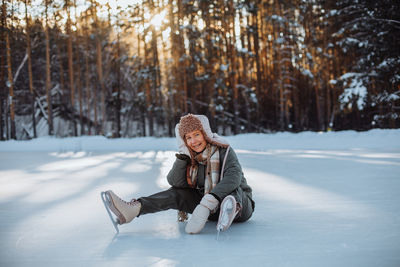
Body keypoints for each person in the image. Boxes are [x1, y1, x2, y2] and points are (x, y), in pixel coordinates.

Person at [104, 114, 255, 234]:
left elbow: (234, 176)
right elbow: (175, 182)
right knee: (176, 193)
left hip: (241, 207)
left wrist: (210, 200)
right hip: (207, 210)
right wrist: (183, 155)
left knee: (231, 187)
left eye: (196, 134)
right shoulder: (189, 157)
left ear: (205, 134)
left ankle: (229, 210)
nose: (193, 141)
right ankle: (133, 209)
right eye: (188, 138)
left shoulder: (224, 150)